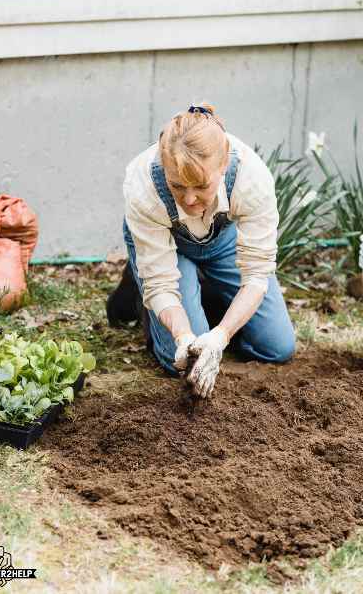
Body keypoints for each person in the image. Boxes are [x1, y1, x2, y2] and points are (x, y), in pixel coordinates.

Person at [114, 102, 295, 399]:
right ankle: (141, 287)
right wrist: (184, 337)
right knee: (184, 360)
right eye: (177, 186)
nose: (189, 199)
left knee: (277, 347)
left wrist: (219, 337)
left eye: (200, 185)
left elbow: (256, 277)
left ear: (222, 165)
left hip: (222, 240)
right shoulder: (143, 184)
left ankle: (202, 296)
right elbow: (162, 285)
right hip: (169, 245)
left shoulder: (251, 177)